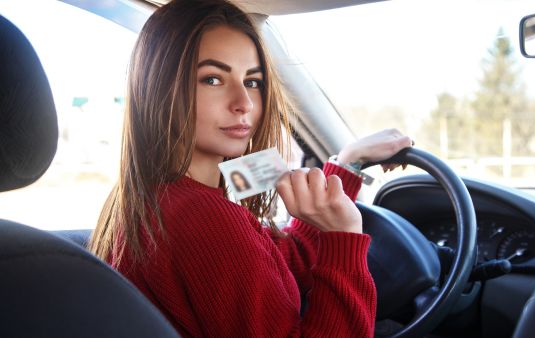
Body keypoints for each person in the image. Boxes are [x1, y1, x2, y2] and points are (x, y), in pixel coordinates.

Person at [89, 0, 412, 337]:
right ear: (160, 88)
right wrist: (344, 236)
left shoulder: (157, 196)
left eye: (253, 82)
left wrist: (347, 163)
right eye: (212, 79)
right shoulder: (203, 217)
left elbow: (278, 258)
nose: (243, 103)